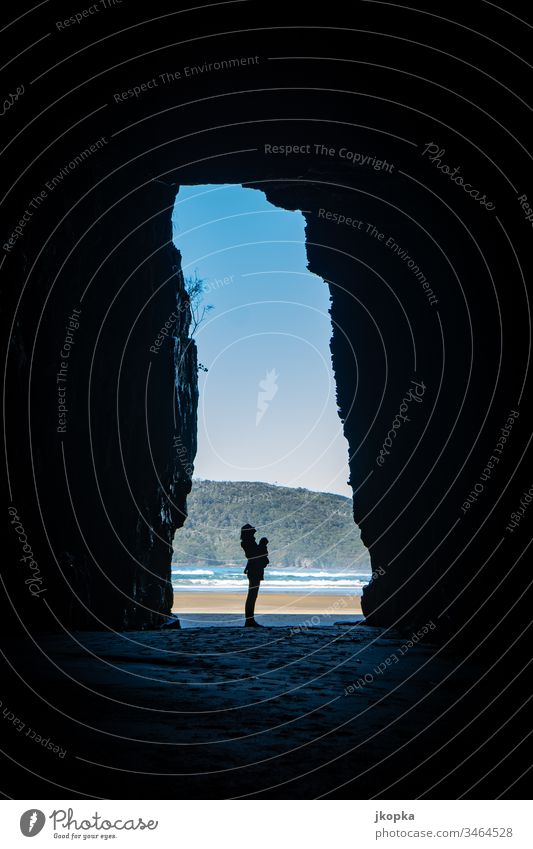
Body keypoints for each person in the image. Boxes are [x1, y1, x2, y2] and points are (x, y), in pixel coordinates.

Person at [240, 524, 269, 627]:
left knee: (252, 595)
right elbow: (254, 556)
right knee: (252, 596)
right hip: (254, 571)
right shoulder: (248, 543)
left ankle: (250, 620)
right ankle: (249, 620)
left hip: (254, 570)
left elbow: (251, 557)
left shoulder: (247, 542)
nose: (254, 534)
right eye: (252, 532)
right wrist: (262, 545)